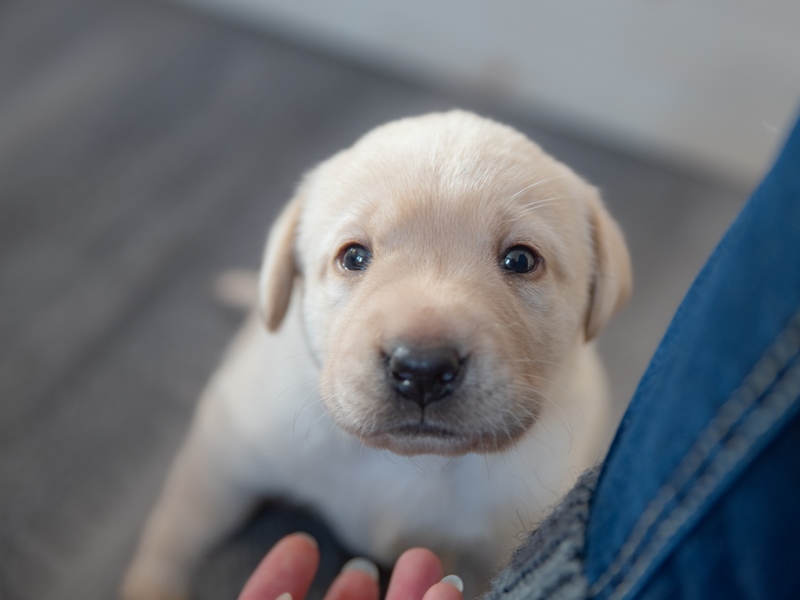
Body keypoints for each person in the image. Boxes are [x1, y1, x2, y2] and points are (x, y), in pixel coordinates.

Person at [238, 111, 800, 600]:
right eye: (354, 256)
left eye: (519, 261)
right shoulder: (268, 389)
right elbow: (213, 465)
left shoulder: (559, 458)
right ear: (286, 278)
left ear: (596, 296)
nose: (425, 355)